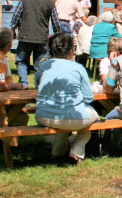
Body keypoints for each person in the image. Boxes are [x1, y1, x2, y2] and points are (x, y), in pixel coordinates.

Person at [35, 33, 99, 164]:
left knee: (65, 121)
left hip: (43, 116)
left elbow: (38, 87)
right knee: (93, 119)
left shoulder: (44, 66)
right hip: (71, 115)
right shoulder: (78, 68)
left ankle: (57, 153)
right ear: (71, 51)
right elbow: (88, 97)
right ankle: (76, 152)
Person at [10, 0, 61, 89]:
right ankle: (38, 87)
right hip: (42, 37)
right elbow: (55, 21)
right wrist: (57, 35)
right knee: (40, 64)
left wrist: (12, 29)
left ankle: (24, 83)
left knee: (21, 61)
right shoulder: (50, 1)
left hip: (25, 36)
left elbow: (16, 16)